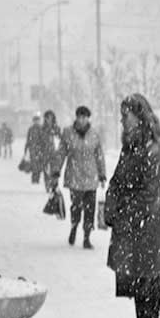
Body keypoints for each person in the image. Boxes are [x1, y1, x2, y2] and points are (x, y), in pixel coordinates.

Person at [103, 94, 160, 318]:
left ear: (139, 116)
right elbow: (119, 180)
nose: (121, 120)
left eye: (125, 115)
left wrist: (122, 210)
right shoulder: (131, 148)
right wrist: (112, 203)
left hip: (144, 224)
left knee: (147, 283)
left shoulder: (153, 150)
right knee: (140, 282)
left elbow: (149, 192)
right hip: (132, 223)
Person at [52, 106, 107, 250]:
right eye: (80, 116)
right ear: (76, 117)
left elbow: (99, 155)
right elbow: (61, 152)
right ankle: (74, 227)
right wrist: (56, 170)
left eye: (85, 117)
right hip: (74, 176)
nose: (82, 120)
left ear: (88, 118)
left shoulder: (94, 134)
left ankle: (87, 237)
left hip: (91, 177)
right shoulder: (68, 133)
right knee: (76, 207)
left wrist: (102, 174)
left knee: (90, 209)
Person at [25, 113, 51, 189]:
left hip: (41, 151)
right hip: (33, 150)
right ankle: (35, 182)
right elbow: (28, 139)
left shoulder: (42, 128)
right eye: (35, 120)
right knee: (35, 167)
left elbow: (45, 140)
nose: (36, 122)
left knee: (43, 166)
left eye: (37, 120)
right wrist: (26, 149)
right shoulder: (31, 129)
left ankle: (45, 184)